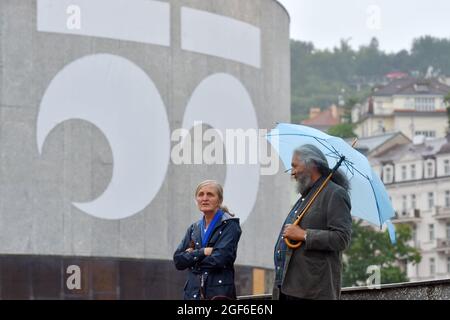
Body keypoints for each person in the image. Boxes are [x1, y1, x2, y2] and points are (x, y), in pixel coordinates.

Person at [273, 144, 352, 300]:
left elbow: (342, 238)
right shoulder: (307, 195)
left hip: (312, 291)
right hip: (289, 288)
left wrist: (304, 235)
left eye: (295, 166)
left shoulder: (335, 193)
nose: (292, 172)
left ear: (312, 165)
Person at [173, 180, 242, 300]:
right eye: (201, 194)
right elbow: (178, 260)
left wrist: (191, 258)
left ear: (219, 200)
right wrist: (202, 252)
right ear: (196, 200)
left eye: (210, 194)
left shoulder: (230, 226)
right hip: (193, 295)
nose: (204, 198)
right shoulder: (194, 228)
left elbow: (220, 259)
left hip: (218, 295)